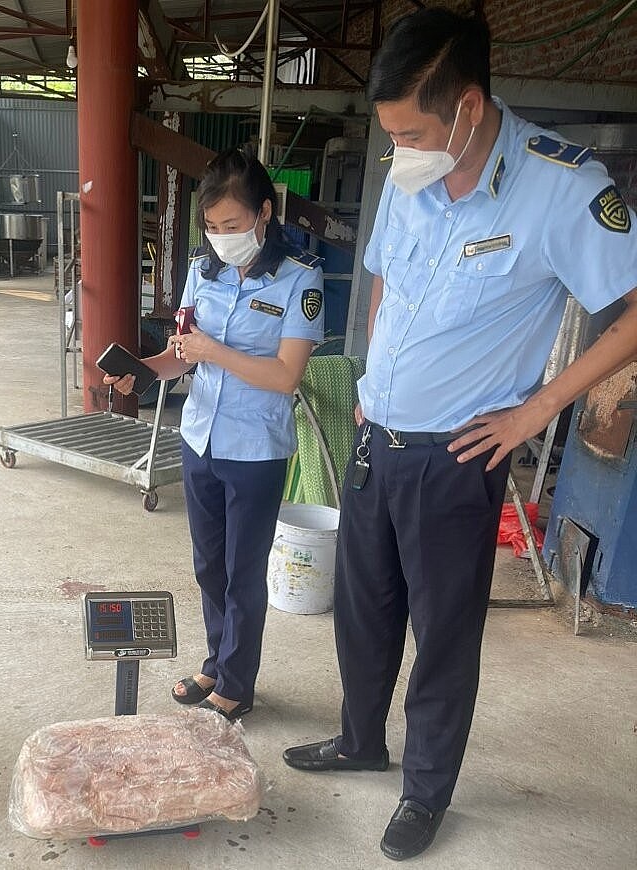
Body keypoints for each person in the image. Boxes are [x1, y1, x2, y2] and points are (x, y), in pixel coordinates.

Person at [282, 7, 637, 862]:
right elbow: (380, 281)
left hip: (457, 457)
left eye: (412, 130)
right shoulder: (412, 173)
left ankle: (426, 791)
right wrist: (371, 383)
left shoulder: (564, 187)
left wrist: (534, 412)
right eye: (391, 133)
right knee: (363, 614)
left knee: (442, 637)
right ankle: (359, 739)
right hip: (378, 439)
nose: (399, 148)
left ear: (470, 108)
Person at [105, 147, 324, 721]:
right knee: (209, 566)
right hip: (199, 437)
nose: (221, 236)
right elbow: (182, 354)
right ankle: (215, 661)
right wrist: (146, 369)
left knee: (243, 572)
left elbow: (285, 375)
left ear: (264, 214)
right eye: (211, 226)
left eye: (232, 225)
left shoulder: (300, 280)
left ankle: (237, 681)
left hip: (255, 449)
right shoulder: (203, 272)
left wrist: (212, 352)